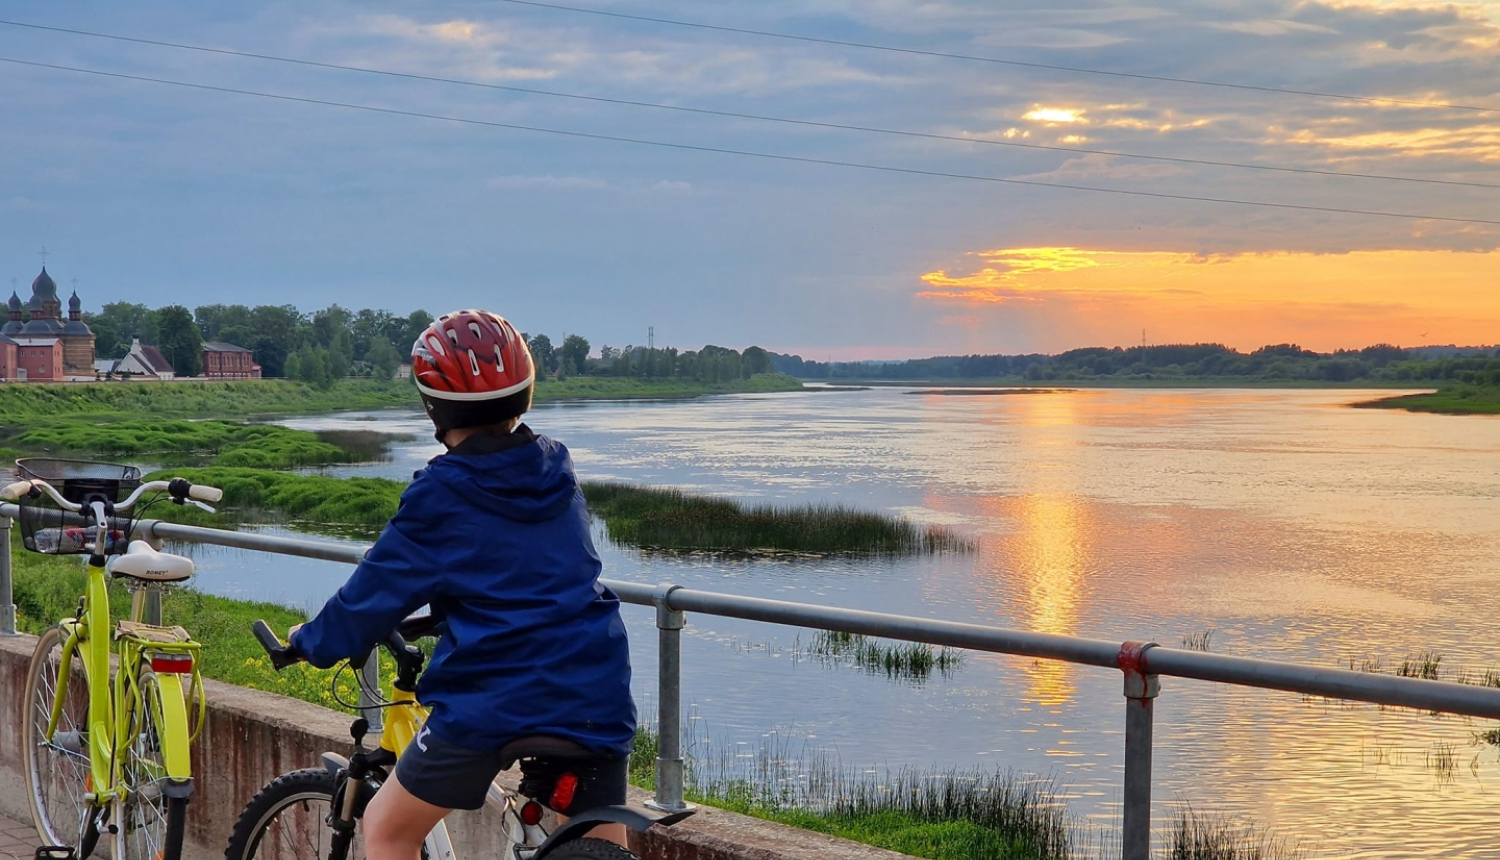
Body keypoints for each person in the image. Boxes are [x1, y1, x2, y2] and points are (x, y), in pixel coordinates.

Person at [284, 309, 636, 859]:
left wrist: (311, 641)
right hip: (596, 686)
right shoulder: (556, 469)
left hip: (494, 699)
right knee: (601, 841)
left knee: (386, 830)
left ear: (433, 404)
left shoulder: (442, 494)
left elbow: (372, 595)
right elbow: (529, 572)